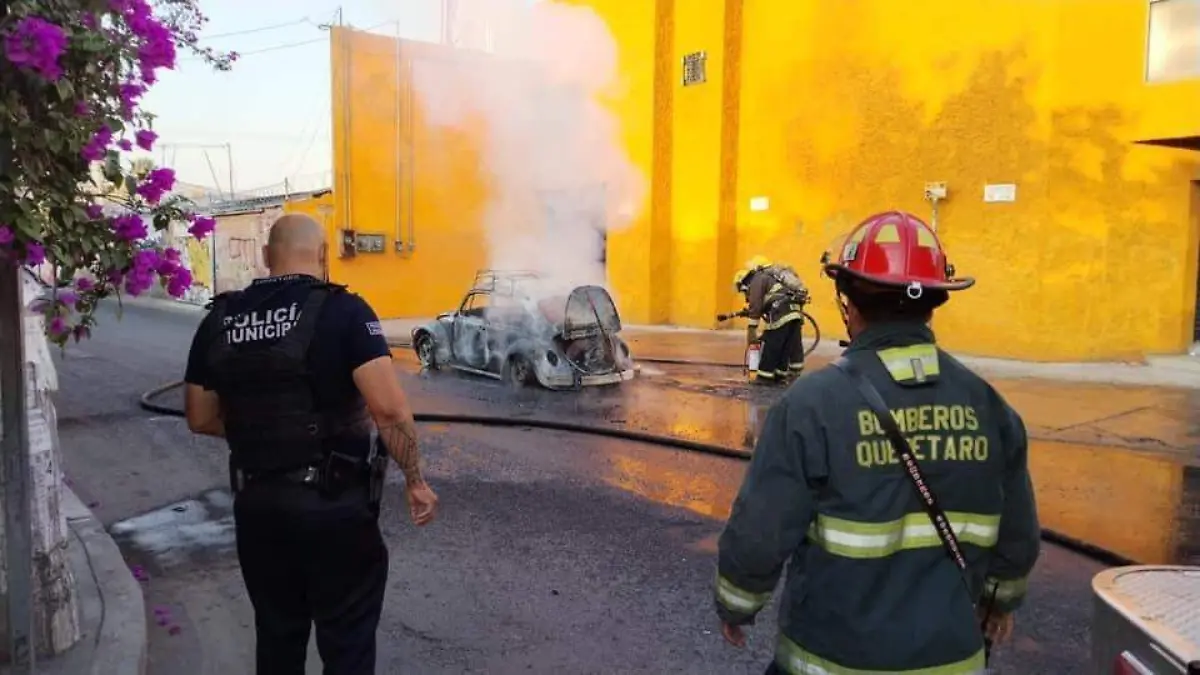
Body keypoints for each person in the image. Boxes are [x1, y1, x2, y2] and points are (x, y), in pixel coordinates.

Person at [714, 211, 1040, 674]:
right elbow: (1018, 535)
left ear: (848, 301)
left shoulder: (811, 405)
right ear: (934, 302)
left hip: (830, 660)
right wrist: (1001, 603)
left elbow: (760, 529)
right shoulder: (988, 405)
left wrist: (737, 603)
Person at [182, 213, 439, 675]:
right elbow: (390, 411)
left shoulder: (220, 318)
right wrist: (415, 481)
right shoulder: (344, 311)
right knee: (347, 642)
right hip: (334, 508)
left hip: (258, 508)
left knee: (278, 637)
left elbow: (200, 417)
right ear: (322, 257)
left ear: (266, 256)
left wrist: (261, 427)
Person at [731, 256, 806, 384]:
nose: (745, 296)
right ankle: (781, 375)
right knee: (785, 346)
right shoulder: (772, 278)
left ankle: (764, 377)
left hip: (780, 314)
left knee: (771, 345)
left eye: (743, 291)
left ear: (744, 283)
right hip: (795, 314)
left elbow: (756, 304)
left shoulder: (757, 279)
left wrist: (752, 328)